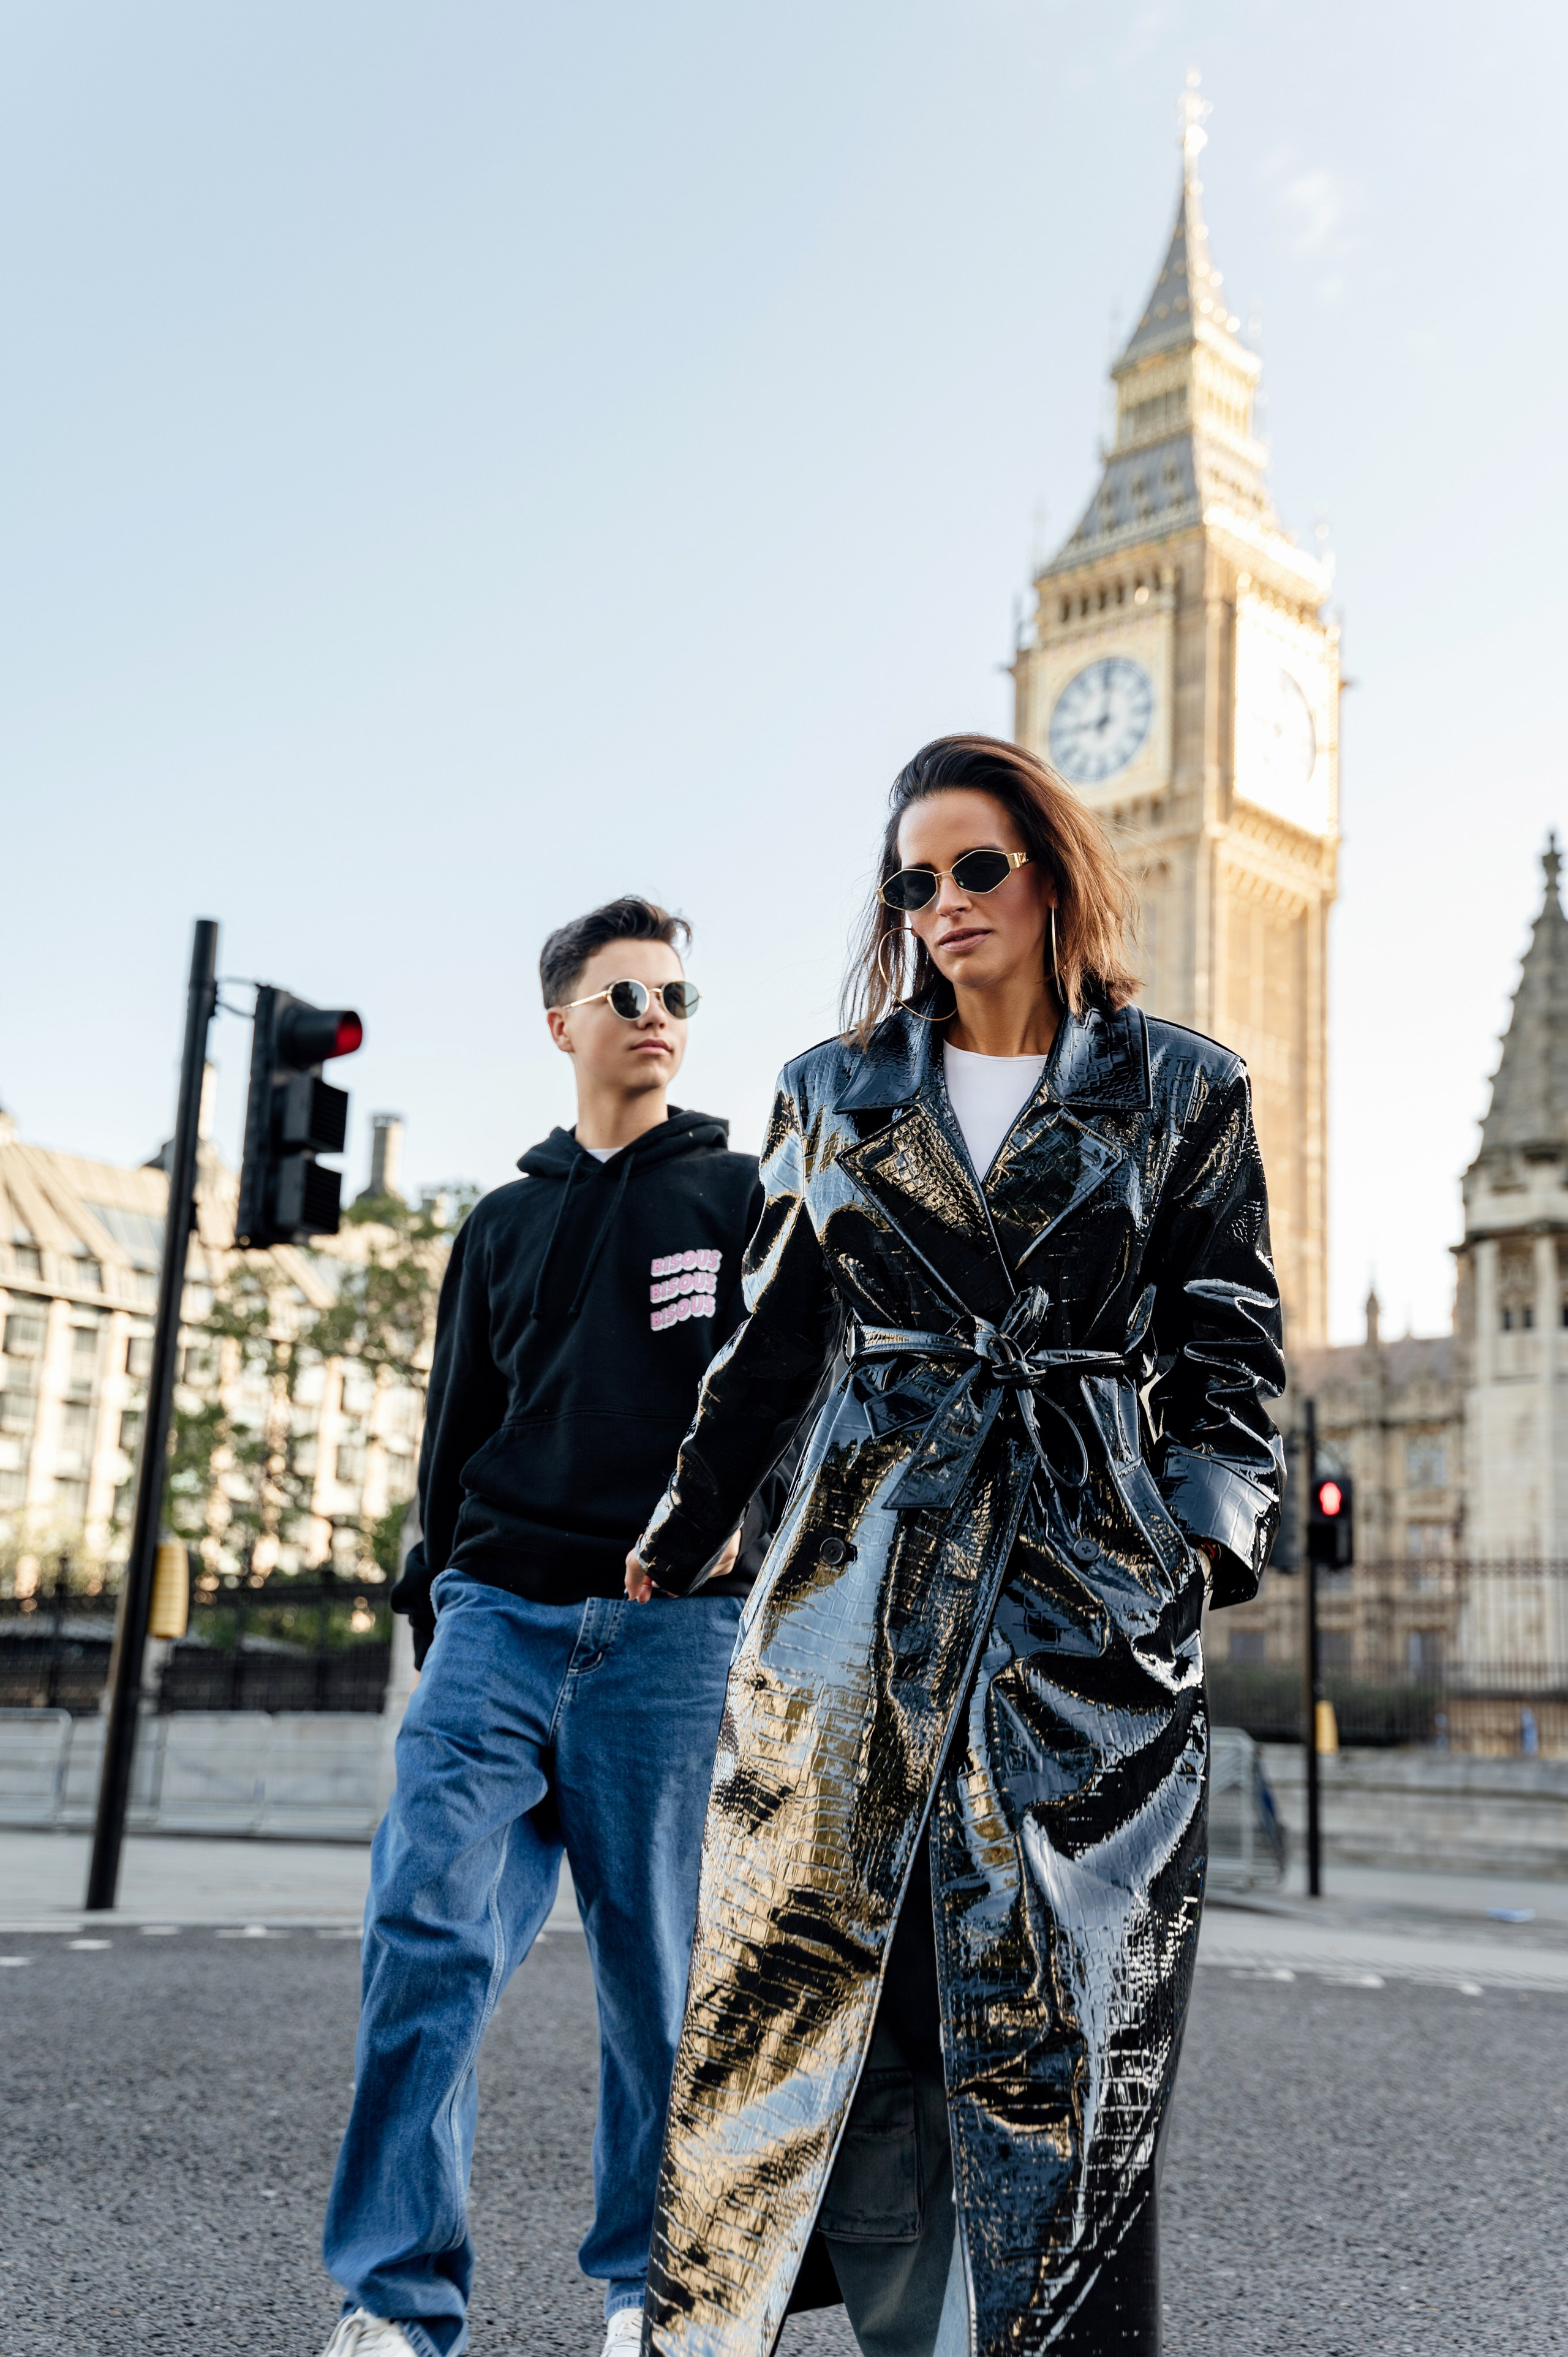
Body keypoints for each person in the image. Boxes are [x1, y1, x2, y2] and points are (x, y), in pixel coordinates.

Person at [625, 737, 1286, 2357]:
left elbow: (1230, 1360)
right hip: (862, 1583)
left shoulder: (1188, 1090)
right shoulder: (833, 1088)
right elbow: (772, 1343)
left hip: (1085, 1607)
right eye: (912, 881)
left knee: (1067, 2044)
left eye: (973, 868)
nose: (941, 904)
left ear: (1050, 874)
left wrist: (1191, 1549)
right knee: (827, 2012)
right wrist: (682, 1529)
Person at [320, 896, 785, 2357]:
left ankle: (649, 2297)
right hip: (496, 1621)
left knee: (660, 1989)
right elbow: (453, 1427)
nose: (656, 1010)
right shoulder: (501, 1220)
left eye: (676, 991)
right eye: (624, 988)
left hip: (670, 1637)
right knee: (423, 1940)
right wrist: (439, 1602)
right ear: (561, 1023)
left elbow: (780, 1415)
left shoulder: (739, 1197)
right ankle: (395, 2305)